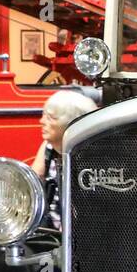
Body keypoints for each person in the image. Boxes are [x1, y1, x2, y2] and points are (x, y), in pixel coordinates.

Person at [31, 89, 96, 229]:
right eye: (43, 116)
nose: (41, 121)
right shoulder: (48, 147)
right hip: (50, 232)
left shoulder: (89, 155)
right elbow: (33, 181)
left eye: (50, 118)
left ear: (71, 123)